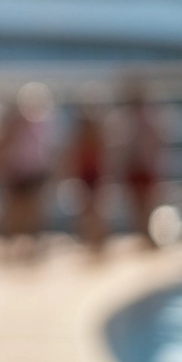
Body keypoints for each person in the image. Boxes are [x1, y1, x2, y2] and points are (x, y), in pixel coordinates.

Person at [0, 83, 54, 259]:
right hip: (16, 172)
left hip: (31, 171)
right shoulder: (11, 125)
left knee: (32, 210)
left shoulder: (38, 124)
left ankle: (29, 246)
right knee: (14, 211)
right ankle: (11, 246)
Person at [116, 82, 165, 247]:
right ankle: (143, 236)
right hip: (135, 167)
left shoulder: (149, 117)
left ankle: (147, 236)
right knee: (137, 208)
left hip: (145, 167)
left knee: (147, 206)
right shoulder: (127, 118)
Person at [69, 102, 107, 253]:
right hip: (84, 175)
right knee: (86, 210)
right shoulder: (79, 137)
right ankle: (89, 240)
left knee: (95, 210)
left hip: (94, 175)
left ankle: (97, 240)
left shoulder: (97, 135)